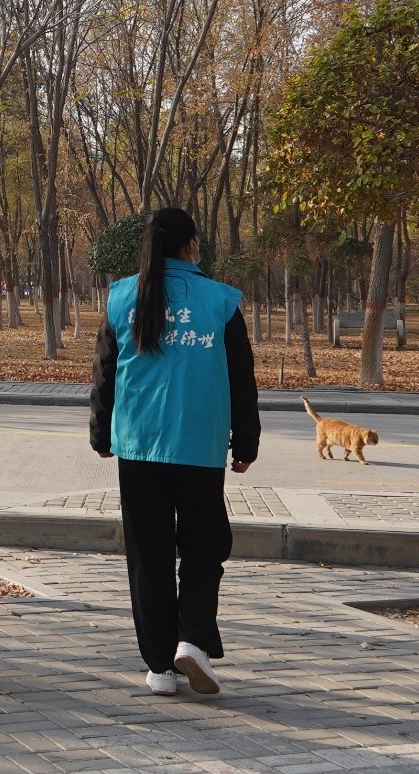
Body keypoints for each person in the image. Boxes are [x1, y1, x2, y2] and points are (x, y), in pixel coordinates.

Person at [89, 206, 260, 697]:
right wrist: (246, 440)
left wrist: (101, 434)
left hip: (138, 445)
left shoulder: (122, 297)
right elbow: (240, 377)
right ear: (190, 246)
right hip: (199, 444)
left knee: (150, 555)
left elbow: (105, 372)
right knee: (205, 546)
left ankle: (159, 667)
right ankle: (193, 639)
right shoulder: (220, 301)